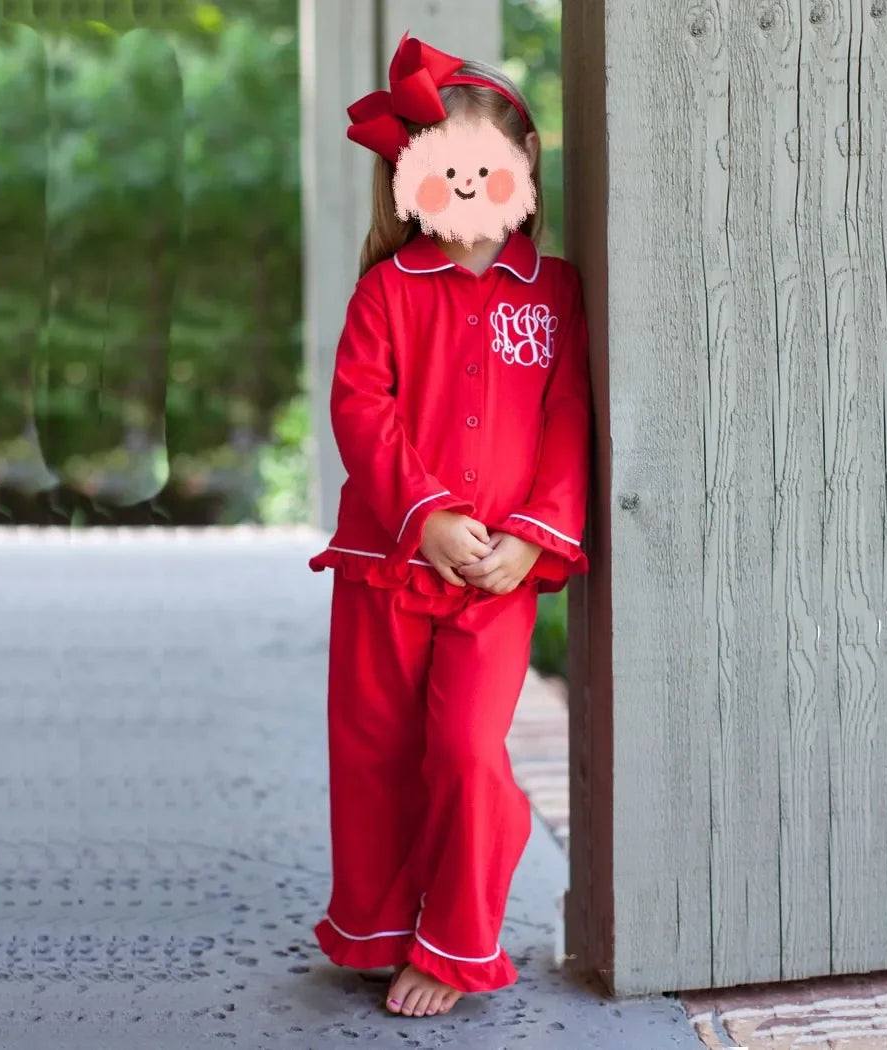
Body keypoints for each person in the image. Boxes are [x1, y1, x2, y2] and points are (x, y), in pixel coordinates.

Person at [308, 31, 591, 1020]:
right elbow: (360, 408)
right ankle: (381, 930)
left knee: (469, 751)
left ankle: (458, 941)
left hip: (497, 576)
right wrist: (424, 514)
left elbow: (566, 424)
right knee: (377, 749)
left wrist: (533, 537)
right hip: (389, 561)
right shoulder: (385, 293)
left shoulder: (554, 299)